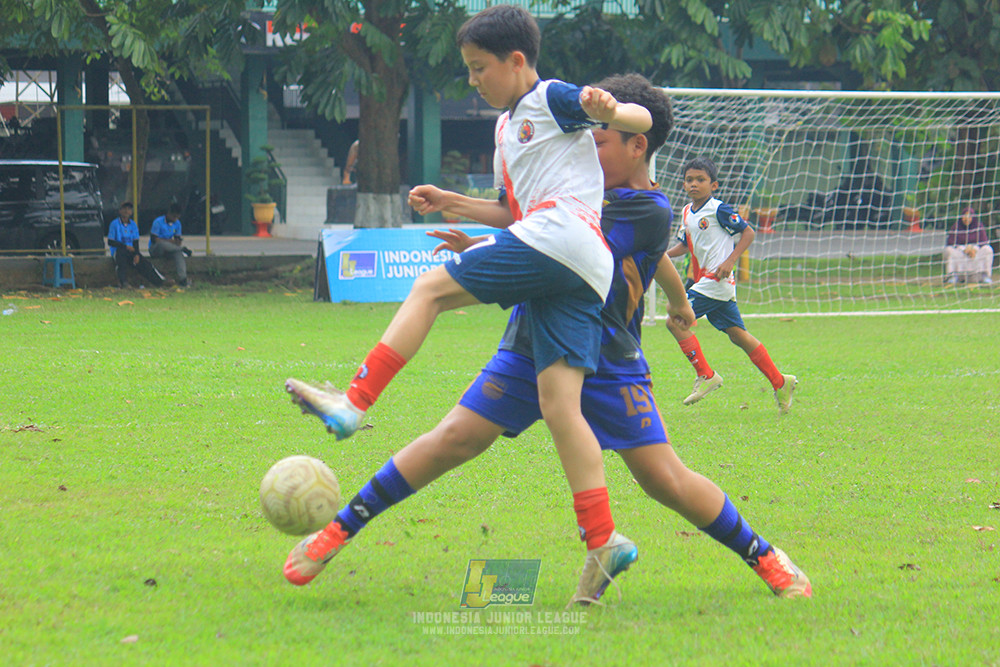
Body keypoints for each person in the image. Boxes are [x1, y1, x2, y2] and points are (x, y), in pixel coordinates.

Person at [281, 74, 812, 604]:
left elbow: (572, 245)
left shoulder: (646, 208)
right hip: (532, 341)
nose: (585, 147)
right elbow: (539, 226)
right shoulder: (582, 183)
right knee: (451, 440)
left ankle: (765, 555)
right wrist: (463, 211)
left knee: (663, 479)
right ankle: (336, 533)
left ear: (636, 144)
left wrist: (504, 242)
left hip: (607, 358)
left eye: (598, 140)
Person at [282, 5, 654, 599]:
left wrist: (614, 109)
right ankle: (603, 538)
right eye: (469, 70)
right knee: (561, 406)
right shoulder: (507, 131)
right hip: (578, 267)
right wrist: (452, 200)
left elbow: (634, 116)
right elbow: (513, 213)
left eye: (480, 69)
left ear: (516, 61)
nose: (474, 80)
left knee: (428, 288)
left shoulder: (551, 98)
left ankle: (354, 402)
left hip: (563, 241)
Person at [665, 157, 797, 412]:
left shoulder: (719, 209)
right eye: (690, 180)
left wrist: (730, 261)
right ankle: (781, 382)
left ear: (713, 185)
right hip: (707, 282)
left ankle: (706, 374)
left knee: (675, 320)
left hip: (717, 279)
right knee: (738, 335)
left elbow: (748, 232)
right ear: (683, 184)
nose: (694, 184)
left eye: (700, 180)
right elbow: (685, 245)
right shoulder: (686, 212)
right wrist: (660, 256)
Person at [107, 202, 164, 288]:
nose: (126, 211)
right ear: (120, 211)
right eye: (124, 209)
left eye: (129, 209)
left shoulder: (133, 225)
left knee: (144, 263)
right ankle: (124, 282)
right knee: (121, 260)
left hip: (131, 251)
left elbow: (135, 241)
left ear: (131, 212)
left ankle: (159, 282)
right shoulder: (114, 224)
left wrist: (137, 253)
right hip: (118, 250)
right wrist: (125, 246)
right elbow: (110, 241)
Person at [944, 207, 993, 285]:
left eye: (969, 216)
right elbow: (951, 242)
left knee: (988, 249)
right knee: (949, 250)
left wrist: (974, 249)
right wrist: (964, 249)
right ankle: (953, 276)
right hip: (960, 251)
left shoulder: (978, 226)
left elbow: (984, 241)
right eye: (965, 216)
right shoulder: (956, 226)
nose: (967, 219)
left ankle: (984, 275)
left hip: (975, 252)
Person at [149, 203, 192, 287]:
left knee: (178, 254)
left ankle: (183, 279)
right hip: (156, 248)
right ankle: (182, 249)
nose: (175, 219)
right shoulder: (158, 222)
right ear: (169, 213)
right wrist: (171, 242)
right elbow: (155, 239)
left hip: (170, 249)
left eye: (177, 217)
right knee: (162, 244)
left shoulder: (177, 223)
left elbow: (177, 240)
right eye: (174, 216)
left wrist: (176, 242)